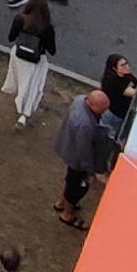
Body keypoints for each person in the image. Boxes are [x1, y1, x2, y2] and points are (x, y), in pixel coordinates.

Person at [53, 89, 113, 228]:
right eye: (102, 110)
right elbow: (84, 151)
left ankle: (62, 202)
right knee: (78, 186)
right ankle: (67, 214)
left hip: (68, 148)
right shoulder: (85, 125)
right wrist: (91, 172)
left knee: (70, 180)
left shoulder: (80, 100)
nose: (104, 112)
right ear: (92, 106)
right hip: (77, 160)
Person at [3, 0, 57, 125]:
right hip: (35, 60)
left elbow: (11, 37)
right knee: (31, 87)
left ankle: (17, 97)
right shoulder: (47, 28)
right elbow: (52, 50)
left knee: (20, 80)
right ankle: (24, 114)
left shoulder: (19, 19)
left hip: (18, 55)